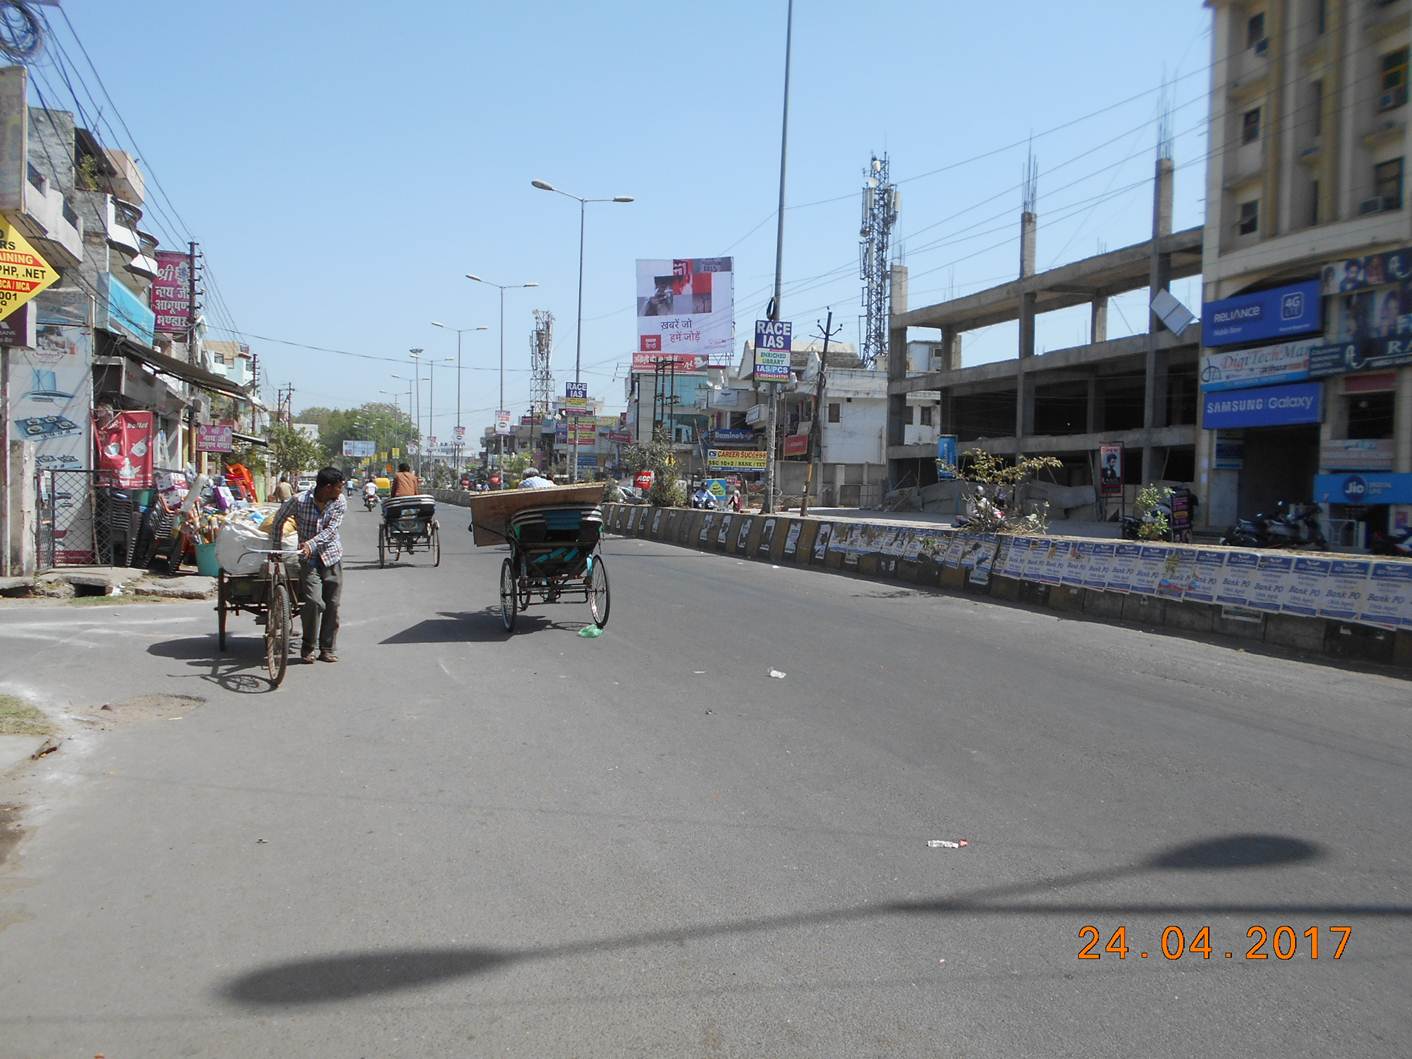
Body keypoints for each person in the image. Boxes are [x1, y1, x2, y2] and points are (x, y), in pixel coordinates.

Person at [291, 467, 347, 664]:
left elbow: (332, 531)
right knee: (314, 602)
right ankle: (308, 647)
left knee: (332, 604)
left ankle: (327, 648)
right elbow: (280, 519)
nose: (341, 491)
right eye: (339, 487)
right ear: (328, 487)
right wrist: (274, 548)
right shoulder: (300, 501)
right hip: (309, 561)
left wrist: (310, 544)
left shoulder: (339, 502)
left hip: (331, 557)